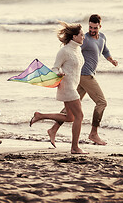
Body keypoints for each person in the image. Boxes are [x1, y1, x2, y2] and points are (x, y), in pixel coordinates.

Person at [47, 14, 118, 146]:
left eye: (95, 28)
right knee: (102, 102)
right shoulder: (84, 39)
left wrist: (111, 60)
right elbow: (72, 49)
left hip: (82, 77)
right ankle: (94, 134)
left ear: (100, 27)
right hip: (85, 75)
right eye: (90, 27)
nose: (92, 30)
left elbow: (105, 51)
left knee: (71, 107)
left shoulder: (102, 37)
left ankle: (53, 129)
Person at [30, 21, 88, 154]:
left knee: (70, 117)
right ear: (74, 37)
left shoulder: (77, 49)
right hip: (67, 87)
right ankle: (75, 147)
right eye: (81, 34)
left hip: (73, 84)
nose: (83, 37)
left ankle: (40, 115)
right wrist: (58, 73)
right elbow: (55, 68)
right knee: (79, 116)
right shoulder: (64, 51)